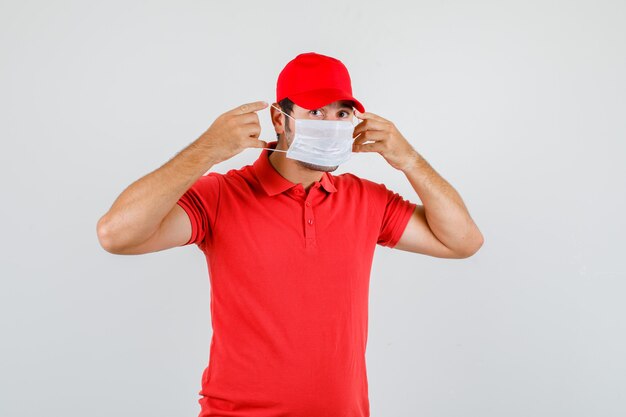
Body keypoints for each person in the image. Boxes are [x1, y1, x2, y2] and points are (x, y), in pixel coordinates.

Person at [96, 52, 484, 417]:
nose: (330, 124)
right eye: (315, 111)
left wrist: (409, 160)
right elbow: (116, 234)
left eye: (342, 113)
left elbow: (463, 241)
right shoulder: (222, 196)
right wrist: (208, 149)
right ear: (280, 120)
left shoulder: (365, 200)